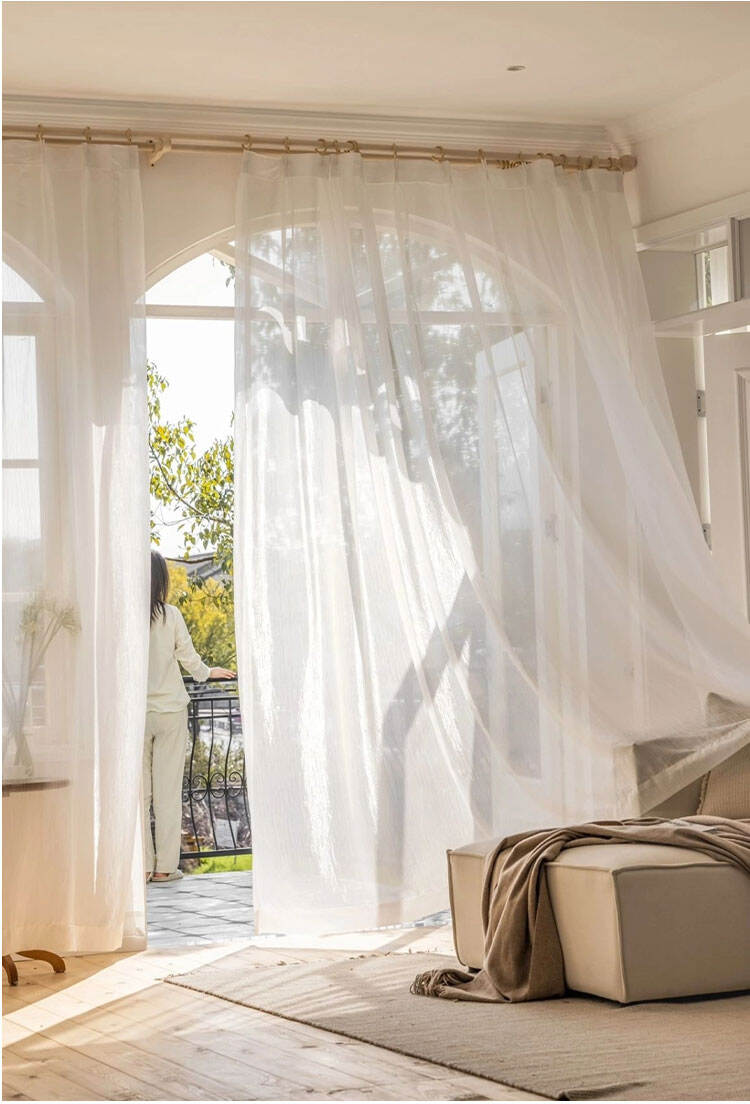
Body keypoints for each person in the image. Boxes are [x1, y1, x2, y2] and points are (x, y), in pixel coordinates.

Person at [144, 551, 235, 883]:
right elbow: (189, 658)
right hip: (170, 712)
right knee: (167, 794)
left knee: (140, 795)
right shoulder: (170, 615)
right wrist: (208, 672)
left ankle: (141, 866)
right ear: (161, 579)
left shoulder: (125, 618)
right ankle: (165, 867)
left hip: (138, 715)